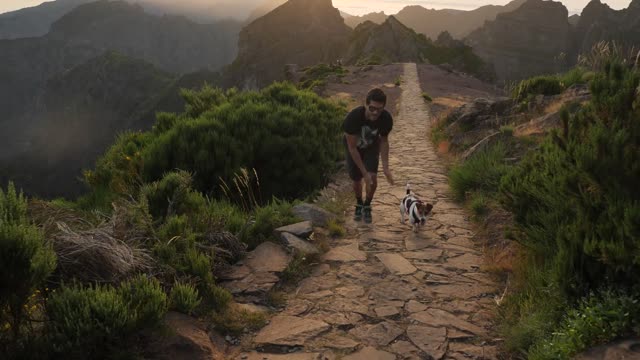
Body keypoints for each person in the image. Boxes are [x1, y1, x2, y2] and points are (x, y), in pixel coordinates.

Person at [343, 88, 394, 223]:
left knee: (373, 179)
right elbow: (352, 148)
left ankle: (367, 205)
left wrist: (386, 168)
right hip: (354, 149)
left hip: (371, 146)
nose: (375, 112)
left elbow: (383, 141)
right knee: (357, 180)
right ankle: (359, 203)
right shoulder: (353, 118)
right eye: (372, 108)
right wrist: (364, 172)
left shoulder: (386, 119)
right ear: (365, 104)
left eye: (379, 109)